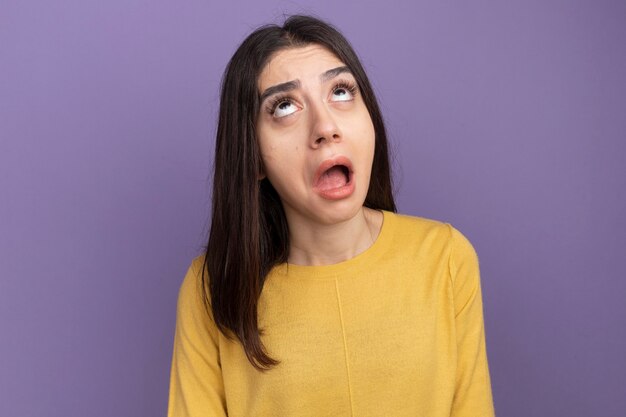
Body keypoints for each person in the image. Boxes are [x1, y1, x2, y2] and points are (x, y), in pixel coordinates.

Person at [168, 14, 495, 417]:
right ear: (252, 157)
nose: (325, 127)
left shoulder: (445, 258)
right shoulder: (213, 288)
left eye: (341, 91)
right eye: (284, 106)